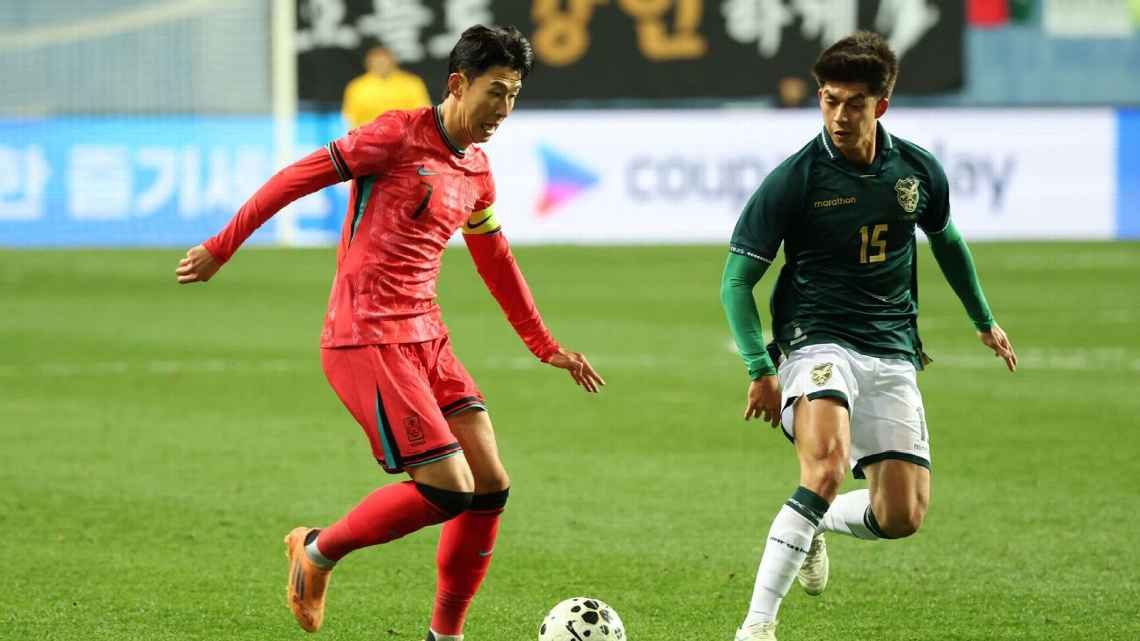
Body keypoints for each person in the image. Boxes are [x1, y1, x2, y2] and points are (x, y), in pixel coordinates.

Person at [176, 25, 604, 641]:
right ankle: (316, 550)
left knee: (490, 485)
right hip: (365, 335)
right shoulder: (395, 135)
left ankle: (445, 635)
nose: (503, 110)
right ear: (457, 84)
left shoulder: (478, 170)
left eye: (513, 95)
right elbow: (294, 177)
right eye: (494, 92)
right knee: (449, 489)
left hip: (427, 337)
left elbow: (496, 259)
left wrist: (545, 345)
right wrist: (222, 246)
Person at [719, 31, 1017, 641]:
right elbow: (735, 282)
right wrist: (759, 367)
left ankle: (815, 526)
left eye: (853, 103)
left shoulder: (917, 171)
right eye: (829, 100)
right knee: (824, 468)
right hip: (816, 339)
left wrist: (983, 319)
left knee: (901, 514)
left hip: (892, 347)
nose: (838, 115)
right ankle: (756, 626)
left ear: (880, 105)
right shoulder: (795, 179)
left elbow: (948, 242)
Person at [342, 45, 432, 128]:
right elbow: (350, 118)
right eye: (377, 62)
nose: (381, 64)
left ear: (393, 61)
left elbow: (423, 112)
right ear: (368, 63)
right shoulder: (357, 87)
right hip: (369, 135)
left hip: (405, 135)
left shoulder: (411, 83)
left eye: (384, 61)